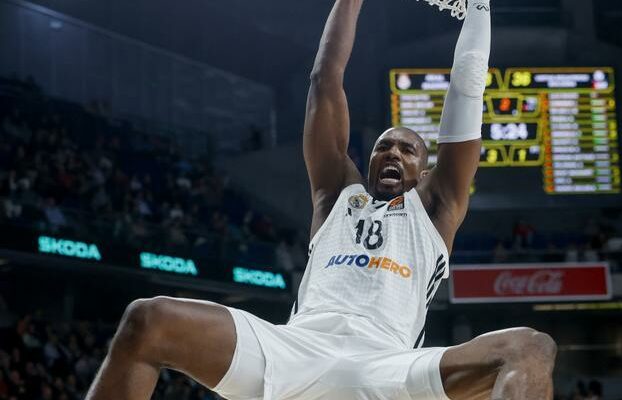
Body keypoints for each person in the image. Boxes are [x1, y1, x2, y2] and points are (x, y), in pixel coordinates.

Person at [85, 1, 556, 399]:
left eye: (406, 148)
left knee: (531, 349)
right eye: (382, 146)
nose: (391, 152)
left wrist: (477, 12)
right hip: (295, 347)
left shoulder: (435, 209)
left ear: (425, 170)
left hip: (386, 364)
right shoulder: (337, 195)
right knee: (147, 319)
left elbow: (466, 89)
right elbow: (323, 79)